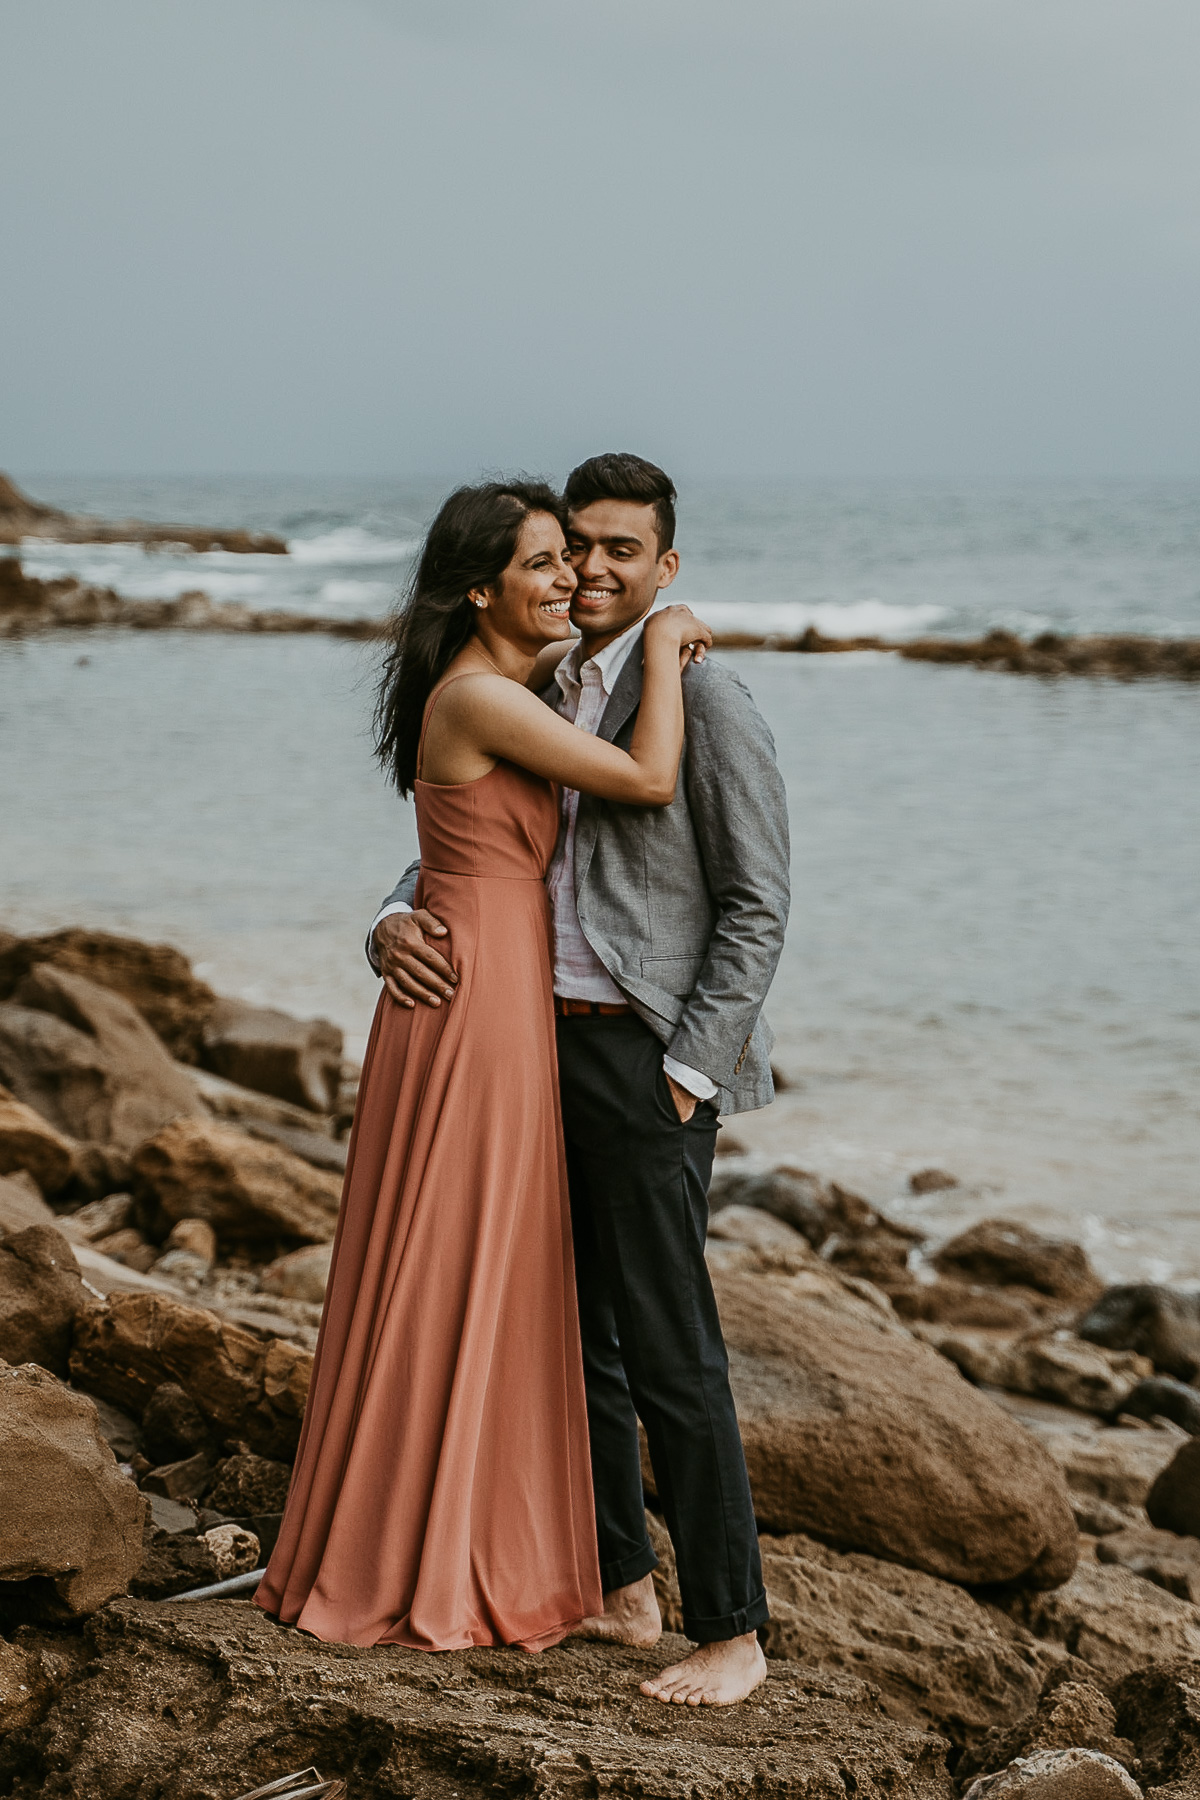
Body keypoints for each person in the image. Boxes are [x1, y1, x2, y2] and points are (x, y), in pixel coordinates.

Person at [256, 478, 711, 1651]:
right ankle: (431, 1541)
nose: (569, 580)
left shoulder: (512, 687)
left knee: (489, 1266)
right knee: (458, 1260)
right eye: (545, 563)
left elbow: (446, 855)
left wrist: (385, 917)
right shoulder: (480, 695)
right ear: (479, 587)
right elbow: (650, 780)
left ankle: (479, 1531)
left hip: (495, 992)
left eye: (576, 560)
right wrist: (663, 646)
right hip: (478, 1008)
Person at [370, 453, 790, 1705]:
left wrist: (687, 1070)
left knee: (670, 1346)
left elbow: (759, 906)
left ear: (666, 569)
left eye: (620, 551)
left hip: (638, 1053)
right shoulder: (535, 682)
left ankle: (733, 1630)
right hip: (519, 1044)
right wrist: (385, 918)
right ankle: (621, 1584)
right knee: (579, 1338)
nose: (593, 570)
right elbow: (467, 849)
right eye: (575, 548)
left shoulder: (704, 702)